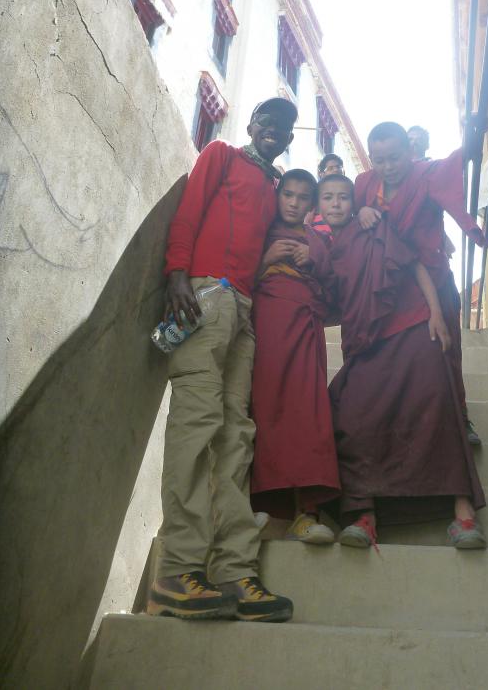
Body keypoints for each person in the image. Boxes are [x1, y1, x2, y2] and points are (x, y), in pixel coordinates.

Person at [148, 97, 297, 623]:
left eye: (284, 126)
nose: (274, 129)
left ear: (290, 139)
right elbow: (189, 213)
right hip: (204, 296)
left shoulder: (274, 188)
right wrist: (177, 275)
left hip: (244, 311)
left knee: (236, 437)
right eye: (267, 120)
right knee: (197, 425)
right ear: (252, 124)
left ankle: (235, 572)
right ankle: (176, 572)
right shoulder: (221, 155)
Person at [318, 174, 486, 550]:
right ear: (318, 206)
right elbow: (336, 304)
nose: (336, 204)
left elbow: (414, 266)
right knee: (350, 417)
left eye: (343, 197)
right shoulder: (325, 249)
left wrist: (436, 314)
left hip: (411, 326)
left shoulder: (373, 225)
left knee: (436, 407)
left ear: (356, 200)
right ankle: (364, 514)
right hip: (366, 343)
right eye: (327, 198)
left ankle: (463, 514)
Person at [355, 122, 485, 446]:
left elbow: (460, 159)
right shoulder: (364, 184)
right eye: (379, 160)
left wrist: (475, 132)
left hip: (434, 279)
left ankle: (460, 419)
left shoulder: (427, 174)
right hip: (390, 287)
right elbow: (343, 213)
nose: (388, 167)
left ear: (409, 152)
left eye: (395, 158)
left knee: (445, 349)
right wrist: (361, 211)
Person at [250, 169, 340, 543]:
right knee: (263, 409)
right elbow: (237, 278)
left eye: (303, 198)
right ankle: (259, 508)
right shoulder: (261, 231)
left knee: (308, 414)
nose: (293, 203)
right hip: (267, 329)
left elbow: (335, 293)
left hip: (304, 329)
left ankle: (307, 513)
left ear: (312, 205)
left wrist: (314, 259)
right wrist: (266, 259)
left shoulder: (318, 241)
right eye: (288, 194)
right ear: (278, 195)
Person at [309, 154, 345, 235]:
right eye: (330, 168)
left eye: (338, 167)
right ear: (321, 174)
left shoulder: (351, 192)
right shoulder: (314, 192)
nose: (336, 170)